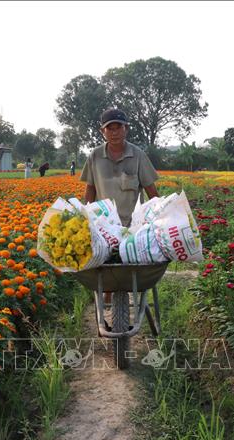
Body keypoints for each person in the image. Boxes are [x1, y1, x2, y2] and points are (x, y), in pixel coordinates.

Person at [80, 108, 160, 306]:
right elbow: (90, 189)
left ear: (126, 129)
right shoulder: (95, 157)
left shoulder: (138, 155)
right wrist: (83, 217)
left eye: (119, 127)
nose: (114, 132)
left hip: (133, 228)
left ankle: (120, 295)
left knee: (128, 268)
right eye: (110, 128)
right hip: (103, 227)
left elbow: (152, 191)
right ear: (102, 131)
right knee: (106, 270)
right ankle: (107, 296)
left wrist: (160, 215)